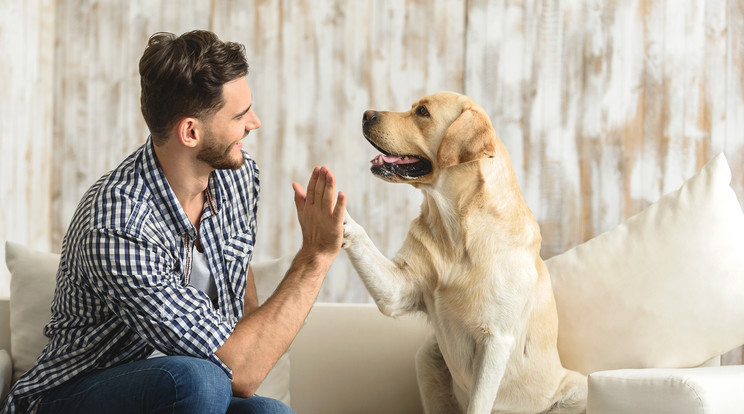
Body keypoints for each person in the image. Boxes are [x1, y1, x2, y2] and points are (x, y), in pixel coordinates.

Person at [1, 30, 346, 414]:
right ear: (191, 132)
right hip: (72, 396)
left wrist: (248, 350)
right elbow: (241, 371)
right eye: (239, 114)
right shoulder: (118, 224)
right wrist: (315, 257)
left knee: (270, 412)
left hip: (194, 392)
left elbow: (240, 284)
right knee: (198, 380)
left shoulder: (237, 175)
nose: (255, 122)